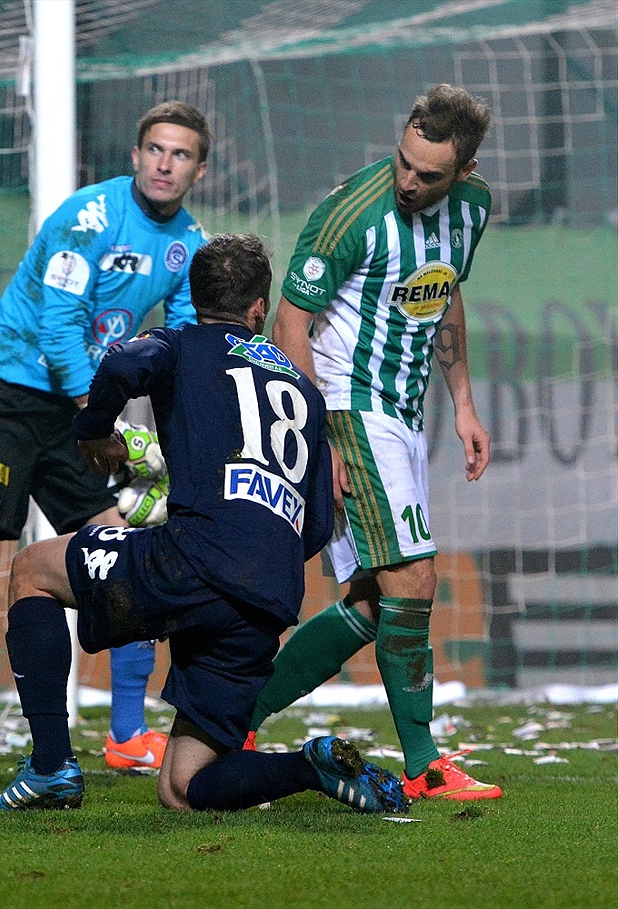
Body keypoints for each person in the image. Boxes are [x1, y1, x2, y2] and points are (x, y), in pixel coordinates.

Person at [0, 233, 408, 816]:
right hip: (268, 596)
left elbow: (124, 362)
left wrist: (92, 430)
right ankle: (308, 767)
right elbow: (314, 527)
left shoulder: (180, 344)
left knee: (31, 569)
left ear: (191, 293)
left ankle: (52, 767)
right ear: (259, 309)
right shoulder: (305, 396)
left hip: (193, 560)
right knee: (184, 787)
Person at [0, 100, 212, 772]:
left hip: (77, 410)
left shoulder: (190, 245)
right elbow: (57, 334)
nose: (166, 163)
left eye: (182, 154)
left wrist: (188, 430)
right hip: (6, 397)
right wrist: (99, 421)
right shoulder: (89, 218)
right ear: (136, 157)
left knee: (128, 551)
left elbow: (187, 345)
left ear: (199, 169)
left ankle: (127, 734)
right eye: (156, 150)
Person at [245, 84, 502, 801]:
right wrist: (313, 434)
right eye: (404, 163)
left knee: (370, 600)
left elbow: (443, 291)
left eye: (429, 175)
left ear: (465, 171)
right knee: (415, 580)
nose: (409, 182)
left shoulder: (474, 209)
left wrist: (464, 405)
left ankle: (235, 717)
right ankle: (422, 763)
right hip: (347, 406)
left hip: (404, 409)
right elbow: (288, 323)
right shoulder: (352, 212)